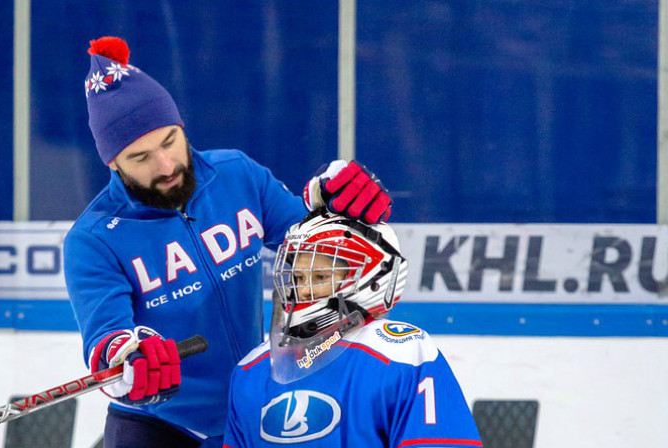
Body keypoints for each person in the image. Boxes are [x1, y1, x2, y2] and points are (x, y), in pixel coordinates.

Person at [64, 36, 393, 447]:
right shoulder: (93, 240)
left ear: (181, 126)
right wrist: (131, 359)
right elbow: (107, 341)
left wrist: (335, 205)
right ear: (112, 162)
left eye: (169, 141)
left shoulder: (237, 174)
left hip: (253, 410)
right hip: (160, 428)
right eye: (141, 157)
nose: (166, 166)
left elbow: (313, 242)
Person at [223, 209, 482, 447]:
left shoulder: (404, 354)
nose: (302, 291)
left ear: (374, 278)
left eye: (320, 277)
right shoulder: (251, 369)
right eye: (298, 278)